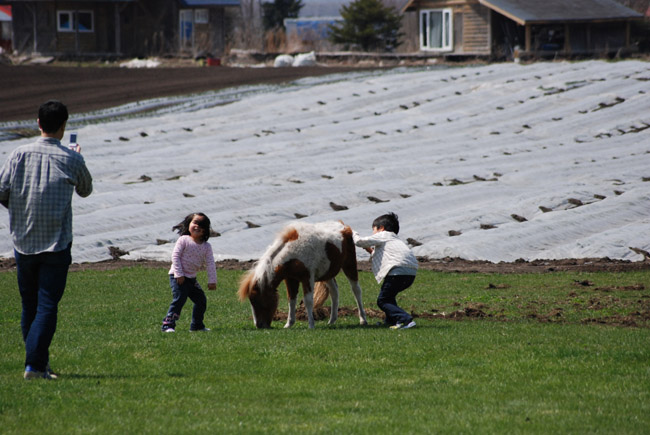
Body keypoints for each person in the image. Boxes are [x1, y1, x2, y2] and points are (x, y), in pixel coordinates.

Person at [0, 100, 93, 380]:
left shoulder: (18, 154)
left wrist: (19, 208)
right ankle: (35, 365)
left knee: (29, 305)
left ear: (38, 123)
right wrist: (76, 157)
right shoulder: (71, 158)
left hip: (23, 242)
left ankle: (38, 364)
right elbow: (86, 190)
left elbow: (2, 191)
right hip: (56, 243)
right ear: (63, 126)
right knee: (47, 305)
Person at [353, 212, 418, 330]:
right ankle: (391, 321)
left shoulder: (384, 235)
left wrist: (353, 233)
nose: (373, 233)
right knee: (389, 297)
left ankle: (406, 320)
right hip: (409, 273)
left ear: (381, 228)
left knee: (383, 300)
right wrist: (369, 250)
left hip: (397, 272)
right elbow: (383, 255)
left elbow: (359, 241)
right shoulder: (395, 240)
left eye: (374, 230)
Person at [161, 212, 217, 332]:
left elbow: (210, 264)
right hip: (177, 276)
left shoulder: (207, 246)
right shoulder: (183, 240)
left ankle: (197, 326)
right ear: (189, 224)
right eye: (195, 223)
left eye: (201, 225)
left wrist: (212, 281)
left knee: (201, 300)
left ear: (206, 230)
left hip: (191, 279)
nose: (197, 227)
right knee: (180, 298)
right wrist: (179, 274)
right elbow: (175, 257)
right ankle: (168, 325)